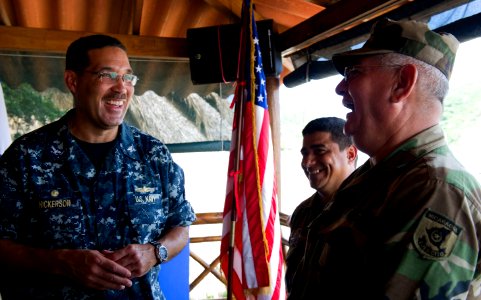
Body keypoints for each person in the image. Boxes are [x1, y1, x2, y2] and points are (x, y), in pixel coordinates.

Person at [288, 18, 481, 299]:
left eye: (353, 72)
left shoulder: (435, 190)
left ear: (401, 83)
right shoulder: (379, 176)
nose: (340, 89)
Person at [0, 34, 196, 299]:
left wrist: (154, 252)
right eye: (107, 75)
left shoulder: (153, 155)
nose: (121, 88)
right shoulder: (26, 158)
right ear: (73, 81)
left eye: (127, 77)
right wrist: (61, 262)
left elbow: (181, 225)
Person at [285, 117, 357, 295]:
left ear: (350, 154)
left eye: (319, 151)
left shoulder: (371, 207)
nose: (307, 162)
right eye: (304, 153)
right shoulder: (303, 212)